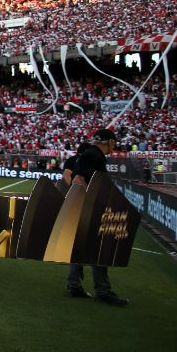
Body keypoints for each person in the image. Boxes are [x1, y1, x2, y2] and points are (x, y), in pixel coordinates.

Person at [64, 128, 129, 307]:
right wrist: (91, 204)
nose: (113, 147)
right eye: (113, 143)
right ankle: (103, 291)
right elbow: (78, 179)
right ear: (108, 141)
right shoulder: (94, 155)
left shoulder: (90, 154)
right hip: (89, 210)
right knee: (100, 249)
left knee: (81, 247)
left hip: (82, 208)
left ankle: (74, 286)